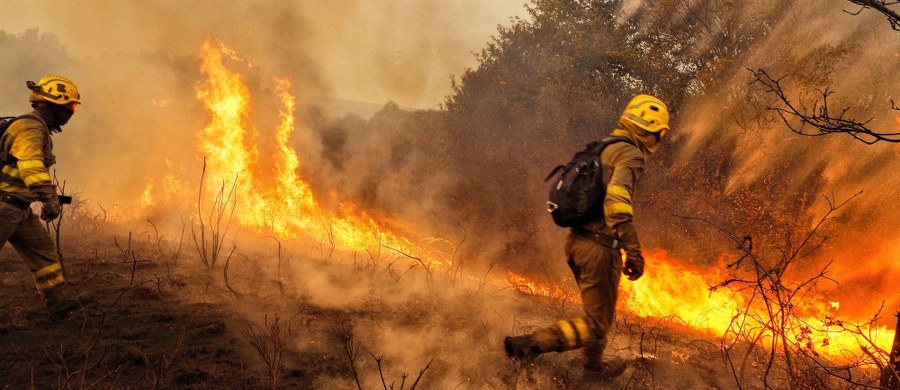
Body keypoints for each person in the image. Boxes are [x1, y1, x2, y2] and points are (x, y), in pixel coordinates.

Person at [504, 94, 671, 379]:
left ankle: (593, 367)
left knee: (598, 316)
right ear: (652, 128)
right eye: (661, 133)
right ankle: (529, 345)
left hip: (576, 242)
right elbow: (617, 203)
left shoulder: (604, 147)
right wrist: (633, 249)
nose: (660, 139)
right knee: (595, 325)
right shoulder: (630, 153)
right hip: (599, 247)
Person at [0, 75, 82, 320]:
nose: (72, 113)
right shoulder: (31, 128)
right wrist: (47, 198)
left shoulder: (36, 129)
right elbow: (31, 166)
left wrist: (47, 198)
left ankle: (56, 303)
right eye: (70, 106)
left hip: (19, 209)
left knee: (44, 253)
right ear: (53, 104)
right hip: (4, 207)